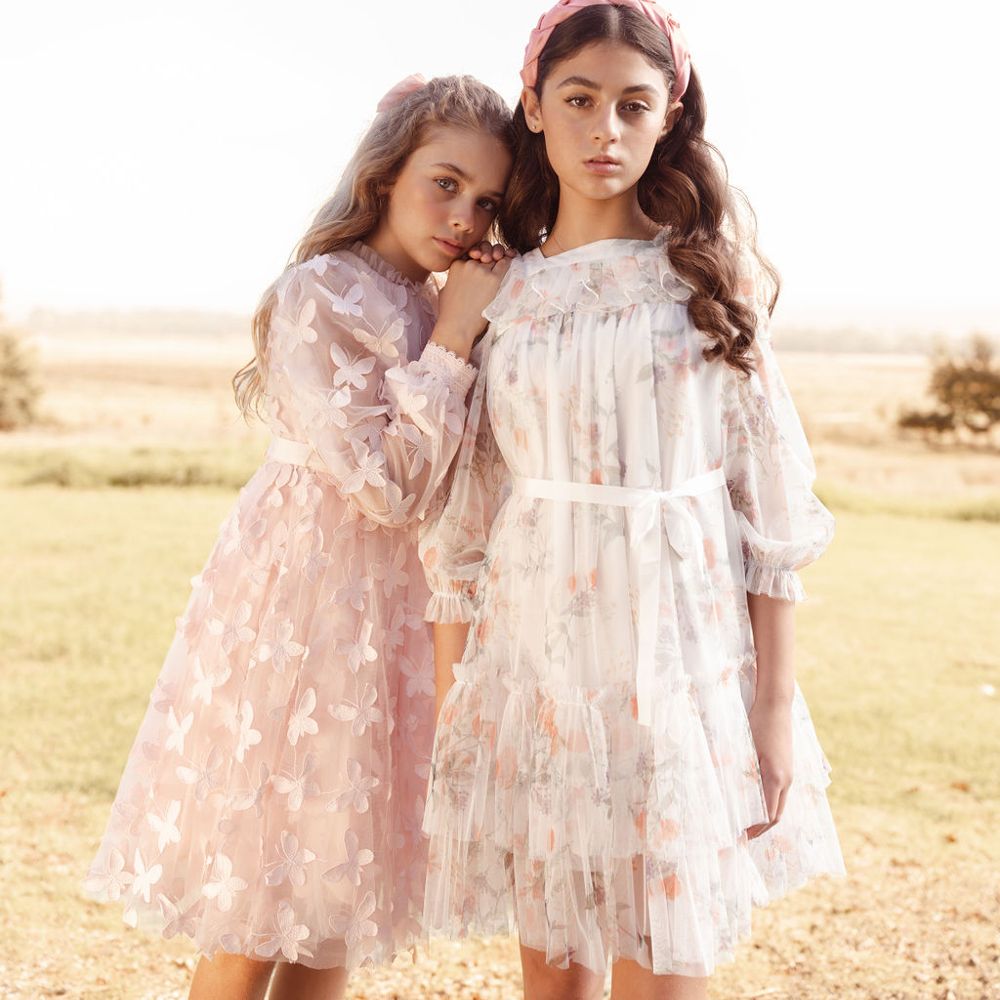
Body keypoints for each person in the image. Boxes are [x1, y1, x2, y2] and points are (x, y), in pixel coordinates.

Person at [419, 6, 845, 999]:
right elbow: (464, 530)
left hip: (680, 675)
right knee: (553, 977)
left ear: (668, 117)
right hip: (536, 676)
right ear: (533, 106)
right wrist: (457, 717)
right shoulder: (500, 293)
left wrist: (770, 711)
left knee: (665, 968)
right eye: (577, 100)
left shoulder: (704, 284)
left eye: (631, 105)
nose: (603, 130)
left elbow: (768, 518)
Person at [83, 74, 514, 1000]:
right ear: (386, 173)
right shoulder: (323, 292)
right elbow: (387, 486)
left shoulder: (444, 300)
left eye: (485, 201)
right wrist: (454, 336)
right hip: (303, 601)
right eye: (444, 183)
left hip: (393, 608)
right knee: (260, 892)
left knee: (336, 895)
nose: (462, 217)